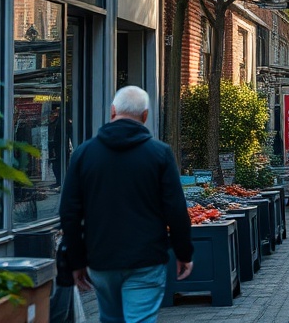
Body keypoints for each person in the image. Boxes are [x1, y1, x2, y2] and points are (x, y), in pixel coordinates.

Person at [59, 86, 193, 323]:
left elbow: (69, 213)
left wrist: (77, 260)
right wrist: (184, 252)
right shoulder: (159, 154)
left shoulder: (84, 154)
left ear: (112, 111)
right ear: (144, 116)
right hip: (146, 258)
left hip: (101, 258)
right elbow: (175, 209)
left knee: (110, 319)